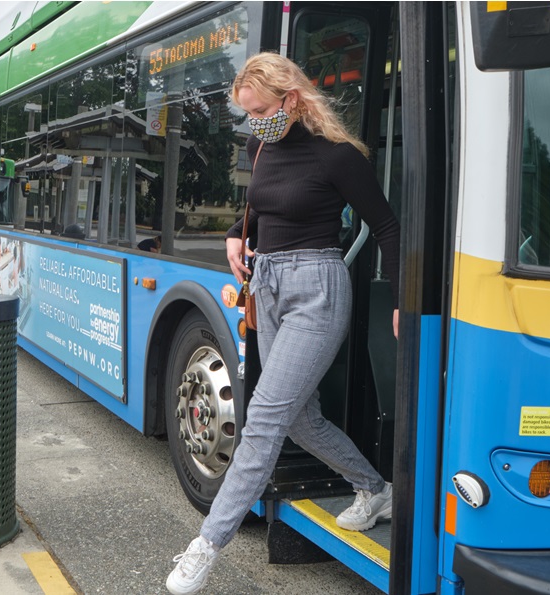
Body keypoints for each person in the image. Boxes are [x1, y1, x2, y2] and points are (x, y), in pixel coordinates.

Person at [166, 52, 401, 595]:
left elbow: (387, 226)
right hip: (267, 287)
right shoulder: (262, 145)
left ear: (291, 99)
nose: (254, 122)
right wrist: (232, 232)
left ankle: (205, 547)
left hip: (316, 291)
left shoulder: (339, 157)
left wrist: (402, 300)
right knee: (298, 419)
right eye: (247, 113)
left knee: (264, 421)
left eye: (260, 110)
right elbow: (262, 204)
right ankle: (373, 487)